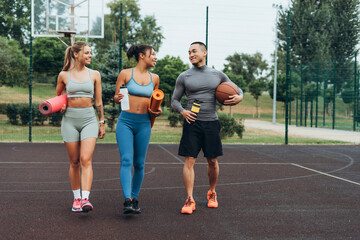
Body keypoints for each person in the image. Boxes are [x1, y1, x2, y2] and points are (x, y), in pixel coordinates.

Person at [171, 41, 243, 214]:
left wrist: (240, 97)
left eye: (194, 51)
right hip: (191, 123)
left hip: (211, 122)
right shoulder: (184, 76)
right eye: (189, 52)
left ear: (205, 52)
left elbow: (238, 90)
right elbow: (174, 100)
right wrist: (182, 112)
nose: (191, 54)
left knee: (212, 161)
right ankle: (189, 199)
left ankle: (212, 192)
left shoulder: (217, 74)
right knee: (189, 161)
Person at [56, 41, 105, 213]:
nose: (90, 55)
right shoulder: (63, 75)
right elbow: (58, 97)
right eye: (87, 53)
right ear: (76, 54)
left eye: (91, 53)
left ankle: (86, 199)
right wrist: (61, 105)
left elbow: (98, 101)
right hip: (69, 120)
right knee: (74, 162)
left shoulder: (95, 74)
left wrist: (101, 122)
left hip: (89, 120)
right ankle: (76, 198)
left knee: (86, 159)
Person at [114, 44, 162, 214]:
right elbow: (116, 96)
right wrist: (117, 98)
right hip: (126, 122)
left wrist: (157, 110)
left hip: (144, 124)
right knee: (127, 160)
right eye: (153, 54)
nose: (155, 57)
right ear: (142, 56)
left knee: (140, 163)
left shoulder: (155, 78)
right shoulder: (126, 74)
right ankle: (127, 199)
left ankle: (134, 199)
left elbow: (155, 103)